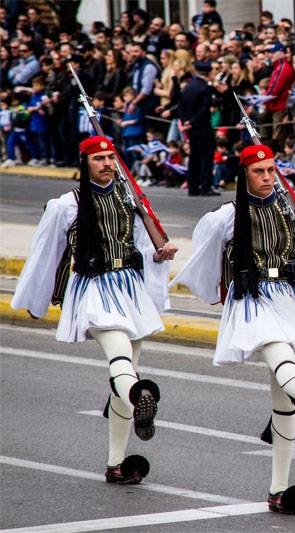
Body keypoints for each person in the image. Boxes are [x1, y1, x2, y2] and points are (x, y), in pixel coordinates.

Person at [172, 145, 295, 514]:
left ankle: (279, 490)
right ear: (244, 175)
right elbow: (204, 262)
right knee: (283, 359)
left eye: (271, 170)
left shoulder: (294, 211)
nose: (267, 177)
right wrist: (221, 295)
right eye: (259, 172)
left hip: (290, 295)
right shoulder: (226, 217)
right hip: (253, 298)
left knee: (282, 402)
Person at [11, 135, 177, 484]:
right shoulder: (66, 205)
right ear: (84, 163)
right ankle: (140, 404)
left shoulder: (130, 199)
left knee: (125, 371)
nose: (106, 164)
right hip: (94, 287)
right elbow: (47, 255)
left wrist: (161, 255)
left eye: (110, 158)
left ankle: (116, 463)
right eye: (99, 159)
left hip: (130, 287)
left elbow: (143, 246)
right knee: (119, 356)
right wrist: (37, 300)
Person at [178, 60, 218, 196]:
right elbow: (205, 108)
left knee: (194, 156)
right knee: (206, 156)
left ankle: (193, 187)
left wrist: (186, 122)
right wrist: (193, 121)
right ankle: (205, 186)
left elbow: (181, 106)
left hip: (190, 128)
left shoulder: (188, 87)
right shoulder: (205, 87)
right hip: (202, 126)